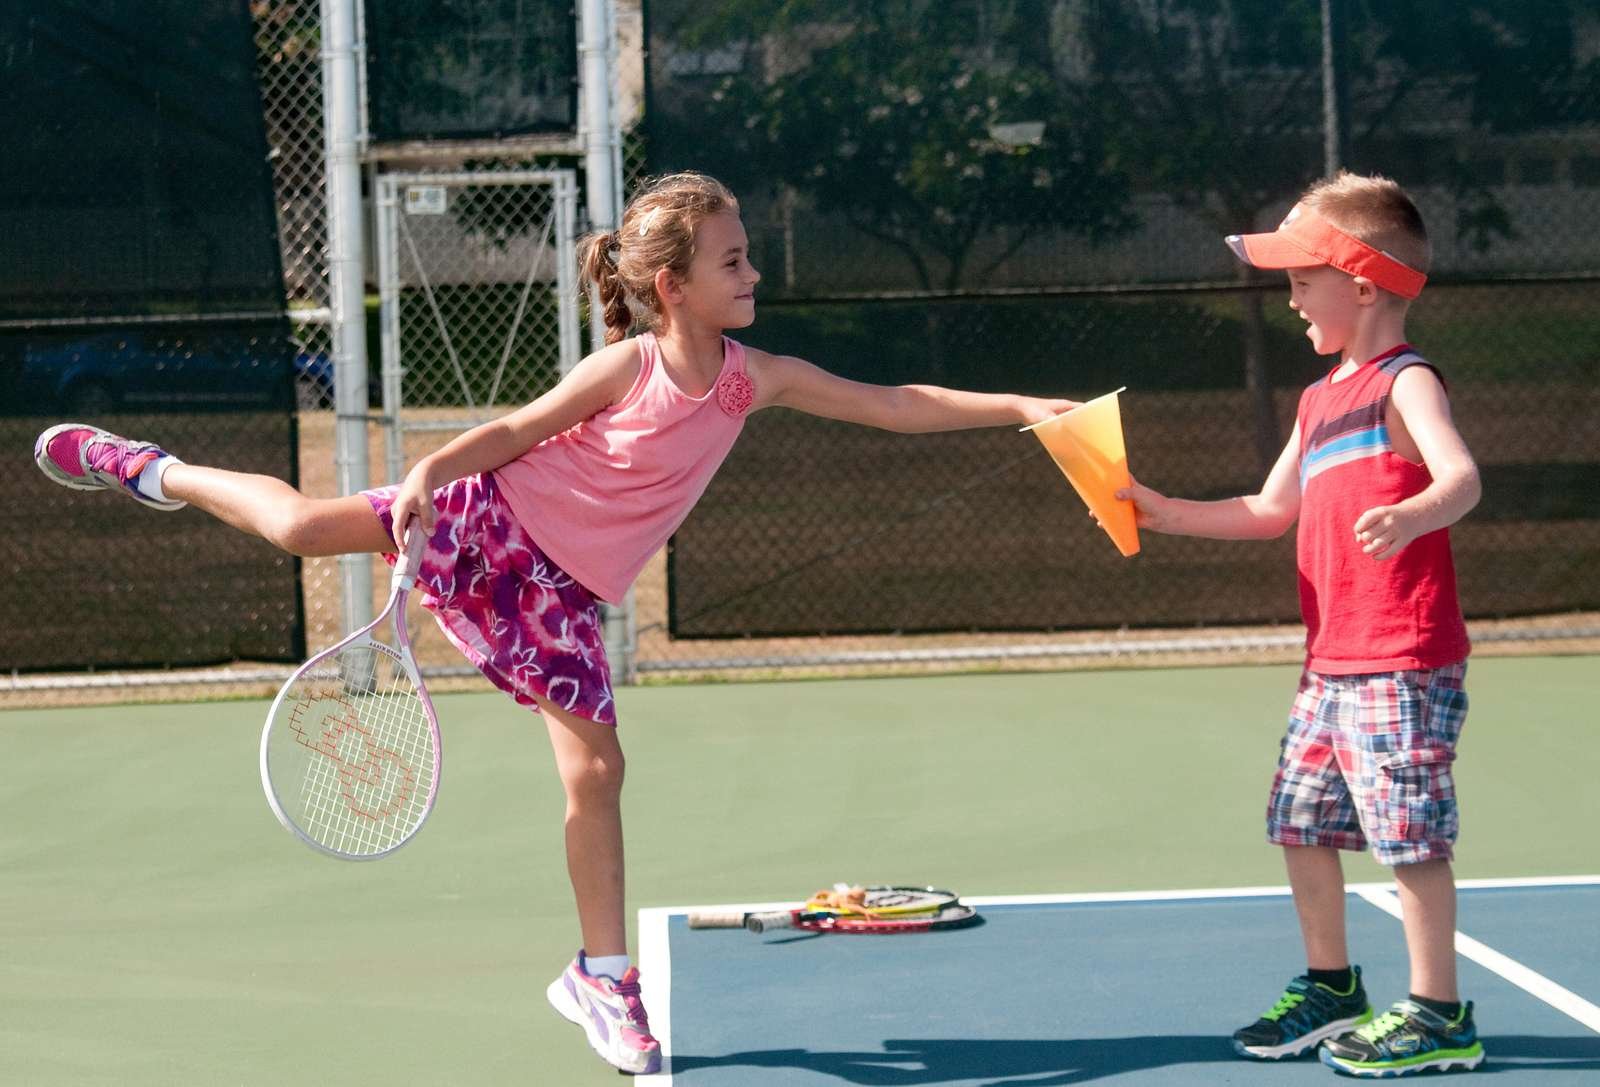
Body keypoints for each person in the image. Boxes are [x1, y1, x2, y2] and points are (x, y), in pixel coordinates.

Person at [33, 171, 1078, 1077]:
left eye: (748, 255)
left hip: (563, 599)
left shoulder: (759, 381)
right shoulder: (625, 369)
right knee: (305, 526)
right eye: (734, 259)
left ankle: (599, 976)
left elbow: (895, 400)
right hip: (488, 523)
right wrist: (434, 470)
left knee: (596, 773)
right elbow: (515, 430)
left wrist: (1025, 407)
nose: (753, 273)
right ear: (673, 286)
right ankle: (148, 466)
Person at [1115, 172, 1485, 1077]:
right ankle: (1333, 986)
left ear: (1362, 283)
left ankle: (1440, 1011)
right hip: (1331, 662)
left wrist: (1413, 513)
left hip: (1401, 657)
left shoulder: (1406, 382)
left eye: (1301, 279)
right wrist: (1165, 509)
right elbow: (1267, 507)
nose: (1288, 298)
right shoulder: (1322, 399)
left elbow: (1463, 478)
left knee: (1408, 835)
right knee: (1302, 821)